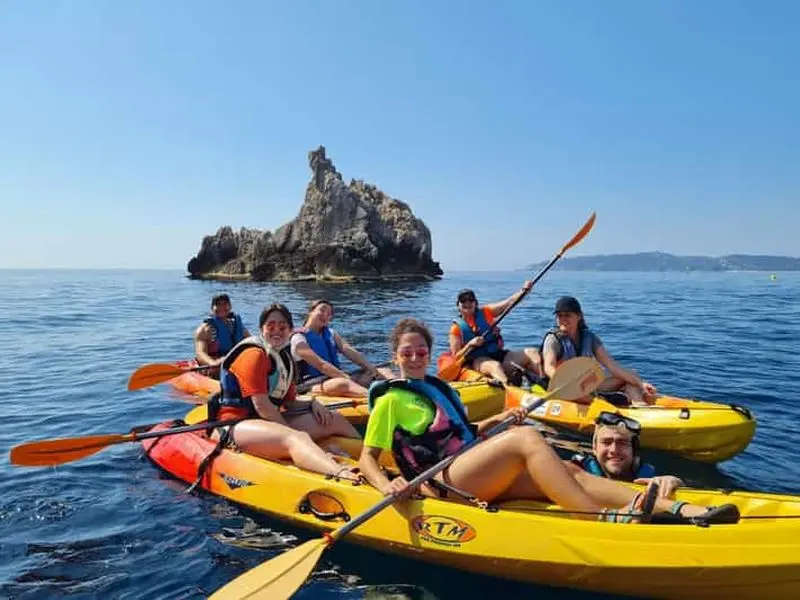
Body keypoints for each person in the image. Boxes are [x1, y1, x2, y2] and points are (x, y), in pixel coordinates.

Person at [358, 318, 738, 524]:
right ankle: (598, 519)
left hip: (466, 467)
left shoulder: (442, 389)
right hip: (439, 482)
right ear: (395, 357)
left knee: (571, 473)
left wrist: (504, 416)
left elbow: (465, 435)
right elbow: (368, 458)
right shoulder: (390, 400)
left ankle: (679, 510)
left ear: (428, 353)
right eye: (405, 352)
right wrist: (386, 485)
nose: (413, 357)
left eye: (420, 350)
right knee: (526, 439)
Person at [206, 303, 361, 481]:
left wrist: (312, 403)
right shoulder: (253, 354)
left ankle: (374, 459)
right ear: (261, 329)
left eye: (282, 326)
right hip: (236, 425)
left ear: (289, 330)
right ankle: (342, 475)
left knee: (335, 419)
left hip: (267, 424)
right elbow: (263, 406)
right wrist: (298, 437)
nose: (276, 330)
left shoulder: (285, 359)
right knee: (295, 438)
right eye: (270, 325)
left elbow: (289, 402)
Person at [541, 296, 657, 405]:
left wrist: (640, 384)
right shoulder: (553, 339)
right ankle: (604, 402)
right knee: (585, 394)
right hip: (561, 387)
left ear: (579, 316)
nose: (563, 319)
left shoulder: (589, 337)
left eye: (567, 315)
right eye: (559, 316)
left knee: (632, 375)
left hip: (583, 384)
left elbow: (612, 366)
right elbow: (549, 366)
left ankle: (639, 406)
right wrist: (566, 384)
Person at [290, 299, 395, 397]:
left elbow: (349, 351)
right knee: (343, 384)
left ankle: (405, 391)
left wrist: (373, 370)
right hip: (311, 385)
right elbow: (320, 365)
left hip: (336, 377)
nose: (325, 315)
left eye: (329, 314)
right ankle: (379, 400)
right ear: (310, 312)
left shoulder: (331, 334)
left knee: (383, 371)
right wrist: (347, 378)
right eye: (322, 310)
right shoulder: (298, 338)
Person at [571, 412, 684, 498]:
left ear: (633, 450)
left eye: (622, 443)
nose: (614, 450)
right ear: (595, 448)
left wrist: (675, 483)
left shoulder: (647, 475)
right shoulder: (576, 471)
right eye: (606, 442)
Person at [448, 285, 542, 384]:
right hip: (478, 361)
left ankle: (544, 380)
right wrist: (469, 345)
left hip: (500, 355)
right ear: (458, 305)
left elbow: (509, 303)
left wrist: (523, 291)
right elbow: (456, 357)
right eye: (463, 301)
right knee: (495, 366)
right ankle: (508, 388)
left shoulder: (486, 312)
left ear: (475, 303)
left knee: (532, 352)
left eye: (470, 300)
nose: (467, 303)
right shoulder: (456, 329)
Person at [194, 294, 251, 377]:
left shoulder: (237, 326)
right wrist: (213, 363)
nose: (221, 307)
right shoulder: (204, 330)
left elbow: (251, 341)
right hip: (215, 369)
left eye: (225, 304)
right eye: (217, 304)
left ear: (230, 307)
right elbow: (200, 354)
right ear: (212, 308)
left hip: (235, 365)